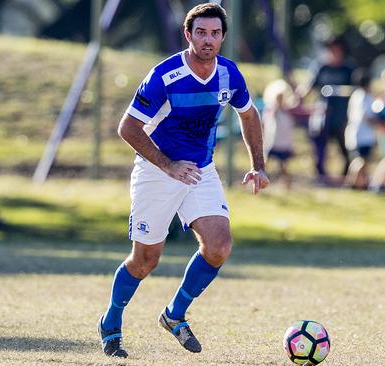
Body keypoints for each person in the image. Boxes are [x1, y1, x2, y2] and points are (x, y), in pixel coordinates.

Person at [98, 3, 269, 358]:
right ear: (188, 35)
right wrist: (167, 165)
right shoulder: (164, 75)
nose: (209, 40)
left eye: (215, 33)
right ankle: (111, 321)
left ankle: (174, 315)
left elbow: (249, 115)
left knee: (219, 245)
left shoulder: (229, 74)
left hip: (200, 170)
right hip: (155, 171)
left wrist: (259, 165)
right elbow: (127, 127)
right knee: (145, 260)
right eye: (202, 33)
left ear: (223, 37)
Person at [297, 37, 355, 184]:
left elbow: (356, 91)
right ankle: (321, 175)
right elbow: (308, 86)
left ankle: (348, 175)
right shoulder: (322, 67)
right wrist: (297, 98)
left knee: (346, 147)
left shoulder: (348, 69)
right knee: (320, 146)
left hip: (342, 116)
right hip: (323, 115)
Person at [343, 70, 377, 189]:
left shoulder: (355, 95)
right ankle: (354, 183)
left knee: (357, 160)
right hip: (363, 135)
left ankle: (356, 183)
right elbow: (367, 116)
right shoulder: (366, 97)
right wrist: (379, 122)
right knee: (361, 161)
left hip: (353, 133)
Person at [262, 79, 297, 189]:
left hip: (283, 142)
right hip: (273, 142)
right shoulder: (272, 110)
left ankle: (287, 185)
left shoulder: (287, 111)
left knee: (283, 166)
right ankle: (258, 182)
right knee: (263, 164)